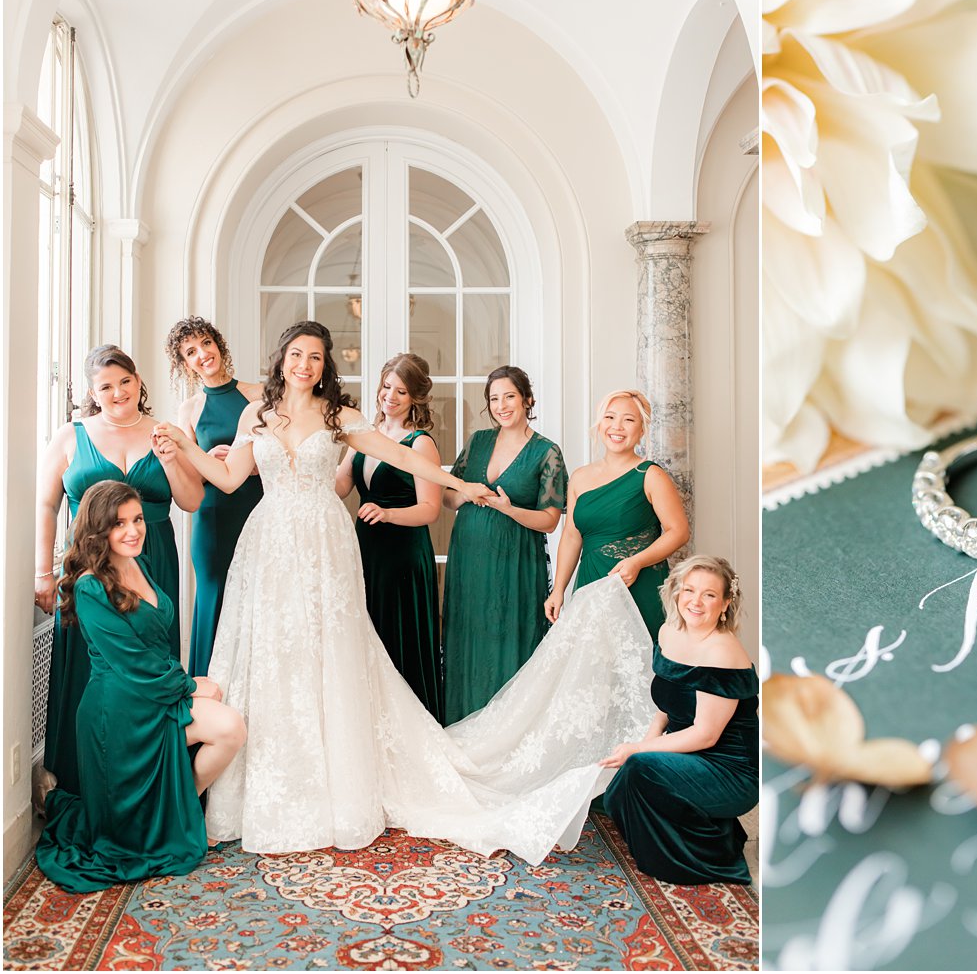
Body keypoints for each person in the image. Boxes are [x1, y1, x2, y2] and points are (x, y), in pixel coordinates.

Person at [153, 320, 656, 860]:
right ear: (281, 360)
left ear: (326, 366)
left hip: (325, 543)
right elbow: (228, 479)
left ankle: (336, 786)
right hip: (269, 543)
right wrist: (182, 446)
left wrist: (459, 484)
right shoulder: (258, 415)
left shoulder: (339, 417)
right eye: (297, 354)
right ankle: (266, 786)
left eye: (316, 357)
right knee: (274, 657)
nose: (305, 365)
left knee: (330, 654)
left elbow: (404, 458)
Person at [35, 481, 247, 893]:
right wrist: (189, 686)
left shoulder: (138, 563)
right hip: (118, 710)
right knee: (224, 721)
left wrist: (187, 683)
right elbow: (130, 662)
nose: (133, 530)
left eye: (136, 520)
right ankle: (164, 814)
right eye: (119, 524)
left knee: (230, 727)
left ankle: (176, 810)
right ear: (99, 530)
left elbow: (151, 643)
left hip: (150, 691)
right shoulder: (90, 585)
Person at [35, 344, 204, 794]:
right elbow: (47, 504)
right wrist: (42, 572)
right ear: (93, 392)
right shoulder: (71, 435)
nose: (117, 392)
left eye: (124, 381)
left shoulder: (164, 433)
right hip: (88, 569)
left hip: (153, 561)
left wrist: (170, 457)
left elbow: (192, 501)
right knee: (91, 670)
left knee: (150, 668)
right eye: (106, 386)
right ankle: (79, 780)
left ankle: (151, 782)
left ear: (138, 381)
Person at [601, 555, 757, 885]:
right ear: (676, 593)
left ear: (726, 603)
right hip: (690, 752)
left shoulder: (722, 652)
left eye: (709, 595)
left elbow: (705, 735)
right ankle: (690, 831)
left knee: (640, 769)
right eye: (689, 590)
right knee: (619, 789)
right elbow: (667, 703)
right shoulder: (669, 631)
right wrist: (649, 738)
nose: (696, 602)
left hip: (729, 769)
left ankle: (702, 854)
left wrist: (641, 749)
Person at [441, 365, 566, 724]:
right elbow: (449, 499)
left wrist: (511, 510)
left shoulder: (547, 451)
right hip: (469, 557)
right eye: (494, 399)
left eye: (509, 396)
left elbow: (550, 519)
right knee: (469, 638)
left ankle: (509, 730)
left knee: (509, 636)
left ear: (527, 399)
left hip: (515, 560)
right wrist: (465, 493)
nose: (501, 405)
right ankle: (464, 724)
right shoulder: (478, 441)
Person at [336, 352, 444, 719]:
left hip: (403, 556)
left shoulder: (420, 443)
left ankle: (407, 723)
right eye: (386, 387)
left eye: (401, 390)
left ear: (415, 397)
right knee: (369, 634)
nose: (391, 396)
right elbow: (340, 486)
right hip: (366, 551)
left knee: (399, 641)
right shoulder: (364, 436)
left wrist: (387, 513)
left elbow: (430, 508)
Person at [546, 390, 690, 637]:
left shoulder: (650, 475)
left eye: (629, 420)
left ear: (642, 429)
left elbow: (679, 532)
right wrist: (558, 589)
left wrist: (636, 562)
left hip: (638, 582)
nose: (617, 427)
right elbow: (571, 537)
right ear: (600, 424)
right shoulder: (580, 478)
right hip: (591, 581)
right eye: (610, 418)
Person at [166, 317, 263, 678]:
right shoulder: (189, 410)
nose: (202, 354)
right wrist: (211, 459)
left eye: (206, 343)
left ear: (218, 345)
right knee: (214, 596)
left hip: (257, 508)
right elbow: (191, 475)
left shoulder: (257, 395)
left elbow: (280, 452)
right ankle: (207, 695)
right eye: (191, 352)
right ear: (185, 364)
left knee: (256, 597)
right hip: (214, 518)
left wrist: (247, 464)